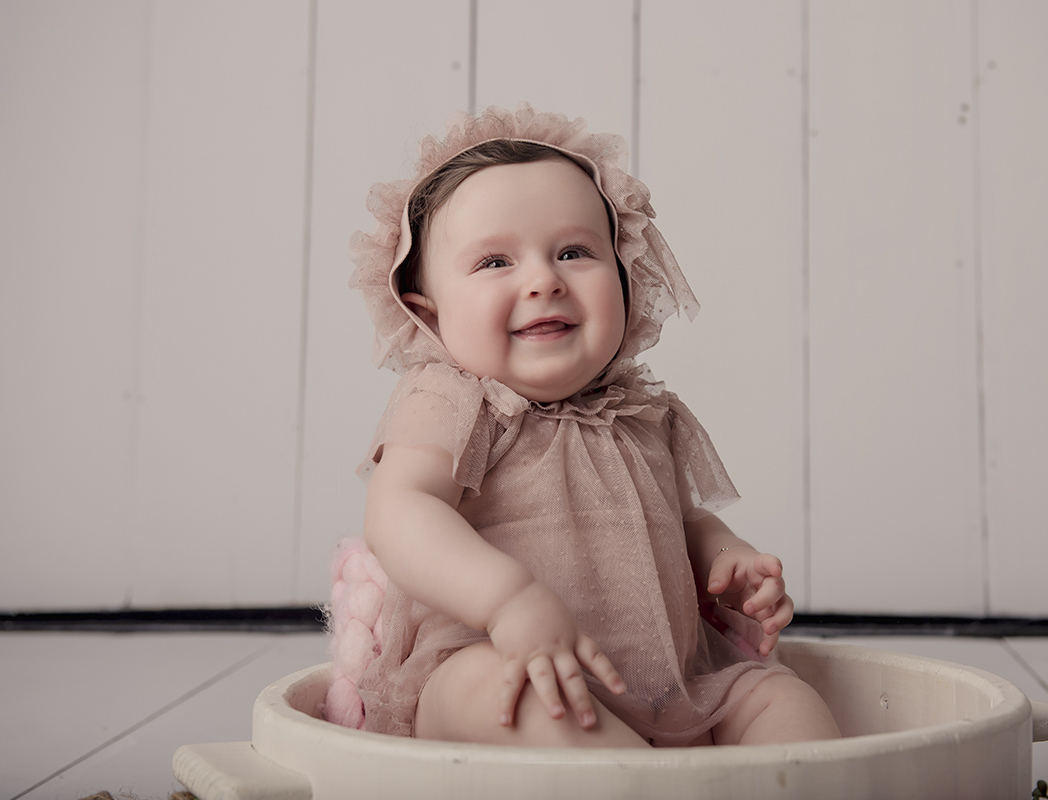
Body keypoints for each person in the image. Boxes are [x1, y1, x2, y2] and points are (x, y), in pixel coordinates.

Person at [324, 105, 841, 748]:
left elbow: (680, 520)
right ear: (428, 314)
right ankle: (644, 782)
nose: (544, 280)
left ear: (626, 281)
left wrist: (726, 558)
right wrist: (506, 601)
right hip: (503, 662)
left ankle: (753, 778)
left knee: (780, 699)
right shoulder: (453, 401)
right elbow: (401, 512)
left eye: (574, 252)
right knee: (496, 691)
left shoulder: (639, 411)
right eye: (495, 262)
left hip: (673, 688)